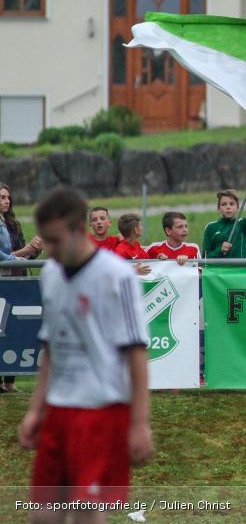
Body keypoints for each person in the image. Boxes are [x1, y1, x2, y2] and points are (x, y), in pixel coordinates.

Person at [19, 188, 154, 519]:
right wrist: (36, 410)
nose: (47, 249)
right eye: (44, 241)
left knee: (86, 513)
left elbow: (136, 352)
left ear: (80, 230)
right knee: (43, 515)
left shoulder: (117, 275)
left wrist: (139, 423)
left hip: (101, 412)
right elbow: (50, 346)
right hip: (58, 411)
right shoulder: (50, 273)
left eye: (54, 240)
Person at [0, 183, 42, 393]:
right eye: (2, 197)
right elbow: (3, 257)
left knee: (15, 328)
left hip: (16, 280)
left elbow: (23, 255)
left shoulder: (13, 224)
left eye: (8, 197)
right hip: (1, 282)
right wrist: (25, 250)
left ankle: (10, 380)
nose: (6, 201)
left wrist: (34, 250)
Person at [202, 174, 246, 259]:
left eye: (232, 204)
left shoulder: (242, 224)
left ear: (237, 208)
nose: (228, 207)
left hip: (239, 271)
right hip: (218, 271)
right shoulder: (211, 227)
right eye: (224, 204)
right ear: (219, 208)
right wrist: (220, 249)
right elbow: (205, 258)